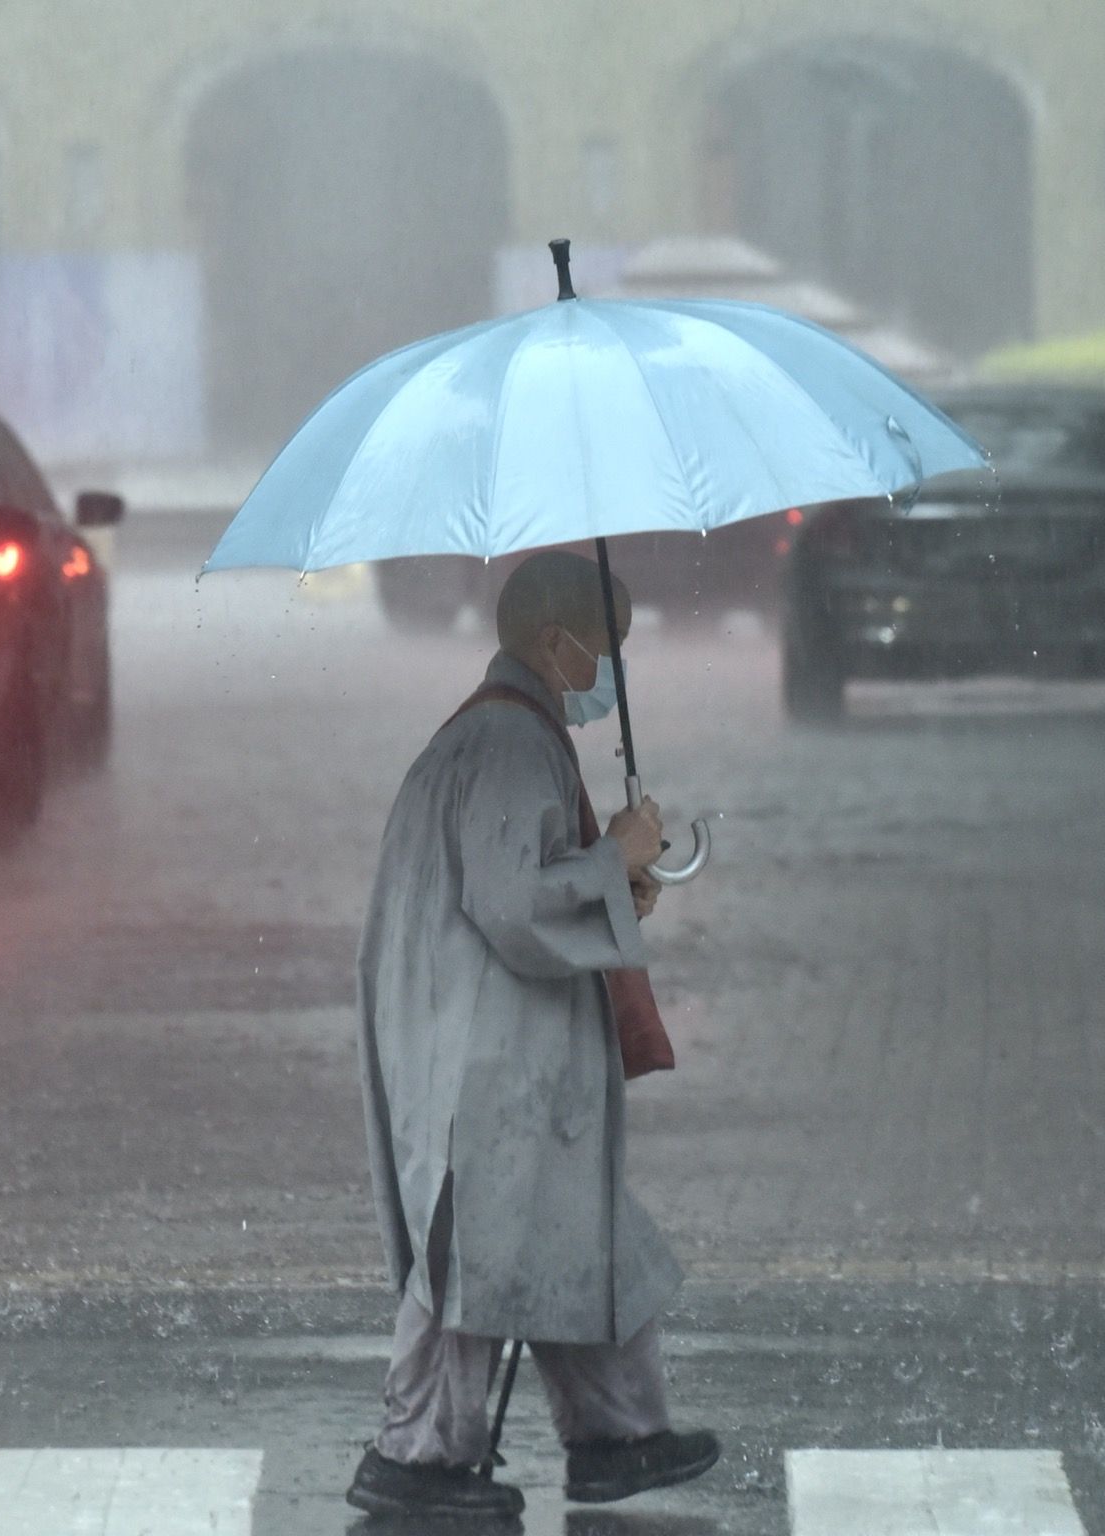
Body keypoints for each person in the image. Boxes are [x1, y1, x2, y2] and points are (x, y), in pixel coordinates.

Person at [346, 550, 722, 1520]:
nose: (613, 671)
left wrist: (608, 876)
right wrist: (612, 860)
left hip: (498, 1051)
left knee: (580, 1243)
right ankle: (418, 1459)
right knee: (473, 1267)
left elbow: (528, 879)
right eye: (608, 648)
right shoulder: (511, 744)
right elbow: (513, 902)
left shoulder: (506, 734)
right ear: (557, 643)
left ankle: (617, 1438)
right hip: (487, 1060)